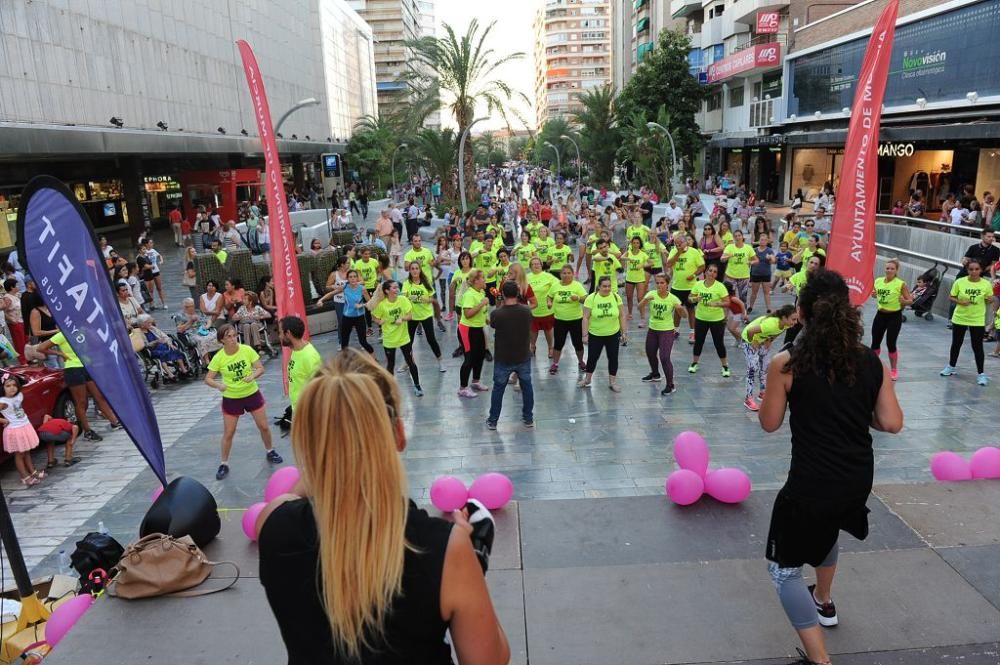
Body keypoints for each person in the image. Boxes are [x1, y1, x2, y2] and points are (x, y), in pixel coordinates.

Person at [256, 349, 510, 664]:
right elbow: (490, 659)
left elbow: (297, 495)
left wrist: (329, 449)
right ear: (399, 435)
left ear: (310, 442)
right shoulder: (443, 548)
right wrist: (475, 560)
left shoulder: (273, 524)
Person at [759, 270, 903, 665]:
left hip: (810, 484)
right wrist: (854, 411)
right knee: (826, 529)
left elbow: (769, 423)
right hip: (856, 480)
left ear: (802, 314)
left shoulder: (785, 364)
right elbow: (891, 422)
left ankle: (820, 660)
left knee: (783, 571)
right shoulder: (870, 361)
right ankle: (823, 600)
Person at [205, 324, 282, 480]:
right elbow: (208, 378)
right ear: (222, 340)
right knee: (229, 432)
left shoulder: (246, 350)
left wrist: (252, 376)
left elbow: (260, 368)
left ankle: (270, 451)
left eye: (234, 335)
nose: (233, 339)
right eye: (229, 336)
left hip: (251, 393)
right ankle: (224, 463)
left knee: (264, 426)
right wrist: (219, 385)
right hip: (232, 397)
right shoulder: (219, 357)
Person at [36, 332, 123, 442]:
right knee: (82, 402)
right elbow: (41, 348)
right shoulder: (62, 334)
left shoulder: (82, 330)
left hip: (87, 366)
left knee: (99, 396)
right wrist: (60, 354)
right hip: (73, 369)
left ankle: (114, 422)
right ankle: (87, 431)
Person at [487, 281, 535, 430]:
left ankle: (493, 420)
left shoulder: (497, 313)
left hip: (503, 357)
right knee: (527, 387)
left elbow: (492, 324)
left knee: (498, 389)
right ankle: (528, 418)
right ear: (518, 293)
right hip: (522, 355)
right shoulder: (526, 311)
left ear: (503, 294)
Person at [941, 258, 992, 385]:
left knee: (977, 346)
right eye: (971, 269)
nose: (974, 272)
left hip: (977, 319)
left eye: (976, 269)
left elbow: (988, 300)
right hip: (960, 317)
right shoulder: (960, 282)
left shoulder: (986, 284)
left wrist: (989, 300)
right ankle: (951, 367)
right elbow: (951, 297)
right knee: (956, 343)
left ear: (980, 270)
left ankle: (981, 374)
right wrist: (961, 302)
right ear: (967, 270)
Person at [370, 281, 423, 397]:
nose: (397, 289)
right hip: (389, 339)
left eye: (397, 287)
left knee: (411, 362)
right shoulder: (382, 305)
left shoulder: (403, 300)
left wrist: (402, 319)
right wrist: (379, 321)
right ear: (387, 291)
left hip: (404, 338)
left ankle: (417, 385)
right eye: (394, 288)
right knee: (390, 364)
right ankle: (389, 389)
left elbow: (410, 316)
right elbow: (374, 317)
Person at [740, 305, 798, 412]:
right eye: (793, 319)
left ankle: (763, 392)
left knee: (765, 367)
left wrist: (769, 340)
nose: (795, 322)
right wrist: (752, 341)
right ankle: (748, 399)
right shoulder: (771, 324)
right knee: (752, 368)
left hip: (762, 339)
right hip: (749, 339)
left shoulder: (785, 325)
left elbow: (779, 331)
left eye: (796, 319)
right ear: (784, 318)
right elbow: (750, 331)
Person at [639, 273, 686, 396]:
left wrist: (680, 309)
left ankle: (670, 385)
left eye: (662, 283)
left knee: (664, 357)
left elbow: (684, 315)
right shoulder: (651, 295)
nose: (659, 285)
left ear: (667, 284)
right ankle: (655, 374)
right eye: (657, 283)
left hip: (666, 331)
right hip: (652, 329)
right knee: (650, 353)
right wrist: (645, 300)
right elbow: (639, 306)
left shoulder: (673, 299)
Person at [579, 275, 627, 392]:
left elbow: (621, 315)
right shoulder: (592, 298)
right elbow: (585, 317)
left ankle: (612, 382)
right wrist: (585, 335)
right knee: (592, 358)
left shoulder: (615, 297)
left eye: (609, 286)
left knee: (613, 358)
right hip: (596, 334)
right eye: (604, 286)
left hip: (613, 334)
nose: (607, 288)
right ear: (599, 287)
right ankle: (588, 379)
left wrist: (624, 332)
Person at [870, 259, 913, 381]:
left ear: (896, 270)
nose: (889, 270)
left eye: (892, 268)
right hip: (880, 314)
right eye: (887, 268)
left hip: (894, 316)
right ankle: (874, 367)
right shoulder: (878, 281)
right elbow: (874, 293)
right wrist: (873, 294)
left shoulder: (900, 284)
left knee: (891, 343)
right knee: (875, 342)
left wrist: (904, 301)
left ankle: (894, 369)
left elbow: (910, 300)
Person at [402, 262, 446, 374]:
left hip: (426, 315)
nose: (415, 270)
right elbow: (404, 297)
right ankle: (407, 362)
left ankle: (440, 361)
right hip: (412, 316)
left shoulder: (426, 283)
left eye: (417, 268)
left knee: (431, 339)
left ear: (420, 270)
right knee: (408, 341)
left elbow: (432, 299)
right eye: (412, 269)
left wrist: (428, 300)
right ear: (410, 271)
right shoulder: (407, 283)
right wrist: (417, 297)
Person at [689, 263, 731, 377]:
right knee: (699, 342)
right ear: (706, 272)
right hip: (701, 318)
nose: (712, 273)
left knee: (719, 343)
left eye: (714, 272)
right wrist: (695, 299)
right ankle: (694, 363)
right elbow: (690, 298)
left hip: (717, 320)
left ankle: (725, 366)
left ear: (716, 275)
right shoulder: (698, 284)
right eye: (710, 271)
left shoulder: (720, 286)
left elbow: (727, 302)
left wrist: (718, 304)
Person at [1, 375, 44, 487]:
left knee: (27, 451)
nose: (12, 388)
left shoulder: (19, 395)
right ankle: (25, 476)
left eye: (14, 385)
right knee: (19, 454)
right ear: (2, 388)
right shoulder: (3, 401)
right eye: (8, 386)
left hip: (25, 425)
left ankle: (33, 471)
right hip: (15, 429)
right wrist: (3, 420)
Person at [665, 234, 705, 344]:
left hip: (690, 287)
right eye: (676, 244)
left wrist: (693, 275)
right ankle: (675, 330)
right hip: (677, 286)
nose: (678, 246)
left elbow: (702, 266)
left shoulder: (694, 252)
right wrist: (678, 252)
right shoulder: (674, 251)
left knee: (691, 309)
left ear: (685, 242)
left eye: (680, 244)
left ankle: (692, 332)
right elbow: (668, 264)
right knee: (677, 309)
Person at [547, 265, 587, 375]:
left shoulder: (577, 285)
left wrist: (578, 298)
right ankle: (555, 363)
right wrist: (549, 302)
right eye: (564, 273)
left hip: (575, 319)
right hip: (560, 320)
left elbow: (586, 299)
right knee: (559, 343)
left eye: (569, 273)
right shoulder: (555, 286)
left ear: (572, 274)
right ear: (560, 275)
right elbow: (549, 296)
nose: (566, 275)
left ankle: (581, 361)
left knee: (577, 343)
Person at [457, 270, 490, 398]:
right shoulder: (469, 295)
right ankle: (462, 388)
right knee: (469, 358)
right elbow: (468, 314)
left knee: (480, 355)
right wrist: (482, 304)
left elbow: (482, 311)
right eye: (483, 278)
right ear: (476, 281)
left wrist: (486, 319)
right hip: (467, 329)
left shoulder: (481, 292)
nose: (485, 280)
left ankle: (475, 381)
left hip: (478, 328)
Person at [279, 316, 322, 412]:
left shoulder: (309, 356)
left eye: (281, 333)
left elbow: (320, 386)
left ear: (288, 333)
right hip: (298, 407)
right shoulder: (296, 350)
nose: (280, 336)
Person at [526, 257, 558, 360]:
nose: (536, 265)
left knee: (548, 330)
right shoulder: (526, 277)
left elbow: (557, 287)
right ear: (530, 266)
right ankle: (532, 347)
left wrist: (551, 299)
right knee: (532, 331)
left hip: (546, 310)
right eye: (533, 264)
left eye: (538, 264)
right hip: (532, 310)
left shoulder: (548, 276)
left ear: (541, 265)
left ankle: (550, 348)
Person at [174, 298, 222, 363]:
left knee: (218, 336)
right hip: (191, 333)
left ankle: (220, 356)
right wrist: (191, 321)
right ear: (184, 307)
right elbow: (179, 329)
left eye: (192, 306)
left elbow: (208, 320)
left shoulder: (198, 312)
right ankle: (207, 361)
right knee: (201, 340)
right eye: (188, 307)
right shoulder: (180, 316)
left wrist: (207, 326)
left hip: (204, 330)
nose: (190, 308)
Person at [340, 270, 374, 353]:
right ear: (347, 279)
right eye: (350, 277)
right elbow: (331, 293)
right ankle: (344, 362)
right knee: (344, 342)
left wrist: (361, 305)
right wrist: (321, 300)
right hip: (347, 318)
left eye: (355, 277)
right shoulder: (344, 287)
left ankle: (373, 359)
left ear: (357, 278)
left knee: (363, 342)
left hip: (359, 318)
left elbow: (371, 303)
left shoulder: (362, 289)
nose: (353, 279)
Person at [721, 230, 757, 306]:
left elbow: (756, 260)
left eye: (739, 235)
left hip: (744, 277)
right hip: (731, 276)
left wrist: (751, 262)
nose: (737, 237)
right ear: (734, 238)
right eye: (736, 236)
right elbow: (722, 259)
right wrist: (728, 256)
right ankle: (731, 314)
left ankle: (743, 314)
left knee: (743, 297)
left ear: (742, 237)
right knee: (730, 296)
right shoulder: (729, 247)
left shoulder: (748, 248)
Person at [623, 237, 651, 327]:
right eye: (634, 243)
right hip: (629, 278)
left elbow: (651, 263)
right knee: (629, 297)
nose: (635, 245)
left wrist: (642, 265)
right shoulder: (628, 252)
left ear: (640, 244)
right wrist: (629, 259)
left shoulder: (643, 254)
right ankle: (630, 314)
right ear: (631, 244)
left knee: (640, 298)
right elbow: (621, 257)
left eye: (637, 243)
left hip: (640, 279)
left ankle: (642, 318)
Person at [749, 233, 776, 313]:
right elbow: (750, 260)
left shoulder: (769, 250)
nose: (763, 241)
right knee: (754, 292)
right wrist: (751, 262)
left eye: (765, 240)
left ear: (767, 241)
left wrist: (770, 258)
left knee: (766, 292)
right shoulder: (754, 250)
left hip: (766, 274)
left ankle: (768, 308)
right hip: (755, 273)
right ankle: (750, 307)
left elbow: (773, 261)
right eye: (761, 239)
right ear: (759, 241)